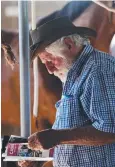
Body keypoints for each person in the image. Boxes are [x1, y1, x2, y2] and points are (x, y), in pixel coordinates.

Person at [19, 16, 115, 167]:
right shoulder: (74, 72)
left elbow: (110, 130)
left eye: (50, 61)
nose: (49, 70)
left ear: (69, 45)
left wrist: (56, 137)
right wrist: (40, 155)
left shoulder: (98, 70)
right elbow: (75, 137)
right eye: (45, 64)